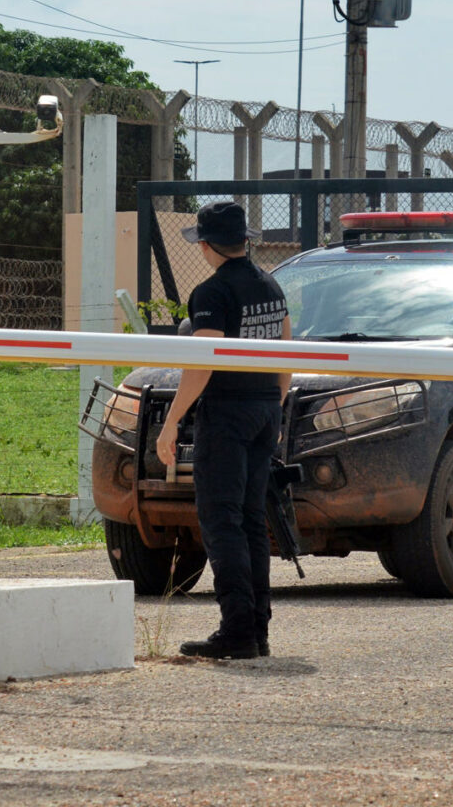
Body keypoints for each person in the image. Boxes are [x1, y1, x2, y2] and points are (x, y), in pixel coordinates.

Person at [157, 201, 290, 660]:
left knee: (221, 520)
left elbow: (202, 360)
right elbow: (287, 347)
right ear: (247, 240)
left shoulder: (211, 294)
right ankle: (257, 630)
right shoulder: (271, 285)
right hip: (265, 408)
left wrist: (173, 420)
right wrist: (277, 405)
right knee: (252, 520)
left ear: (207, 244)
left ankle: (236, 630)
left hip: (228, 413)